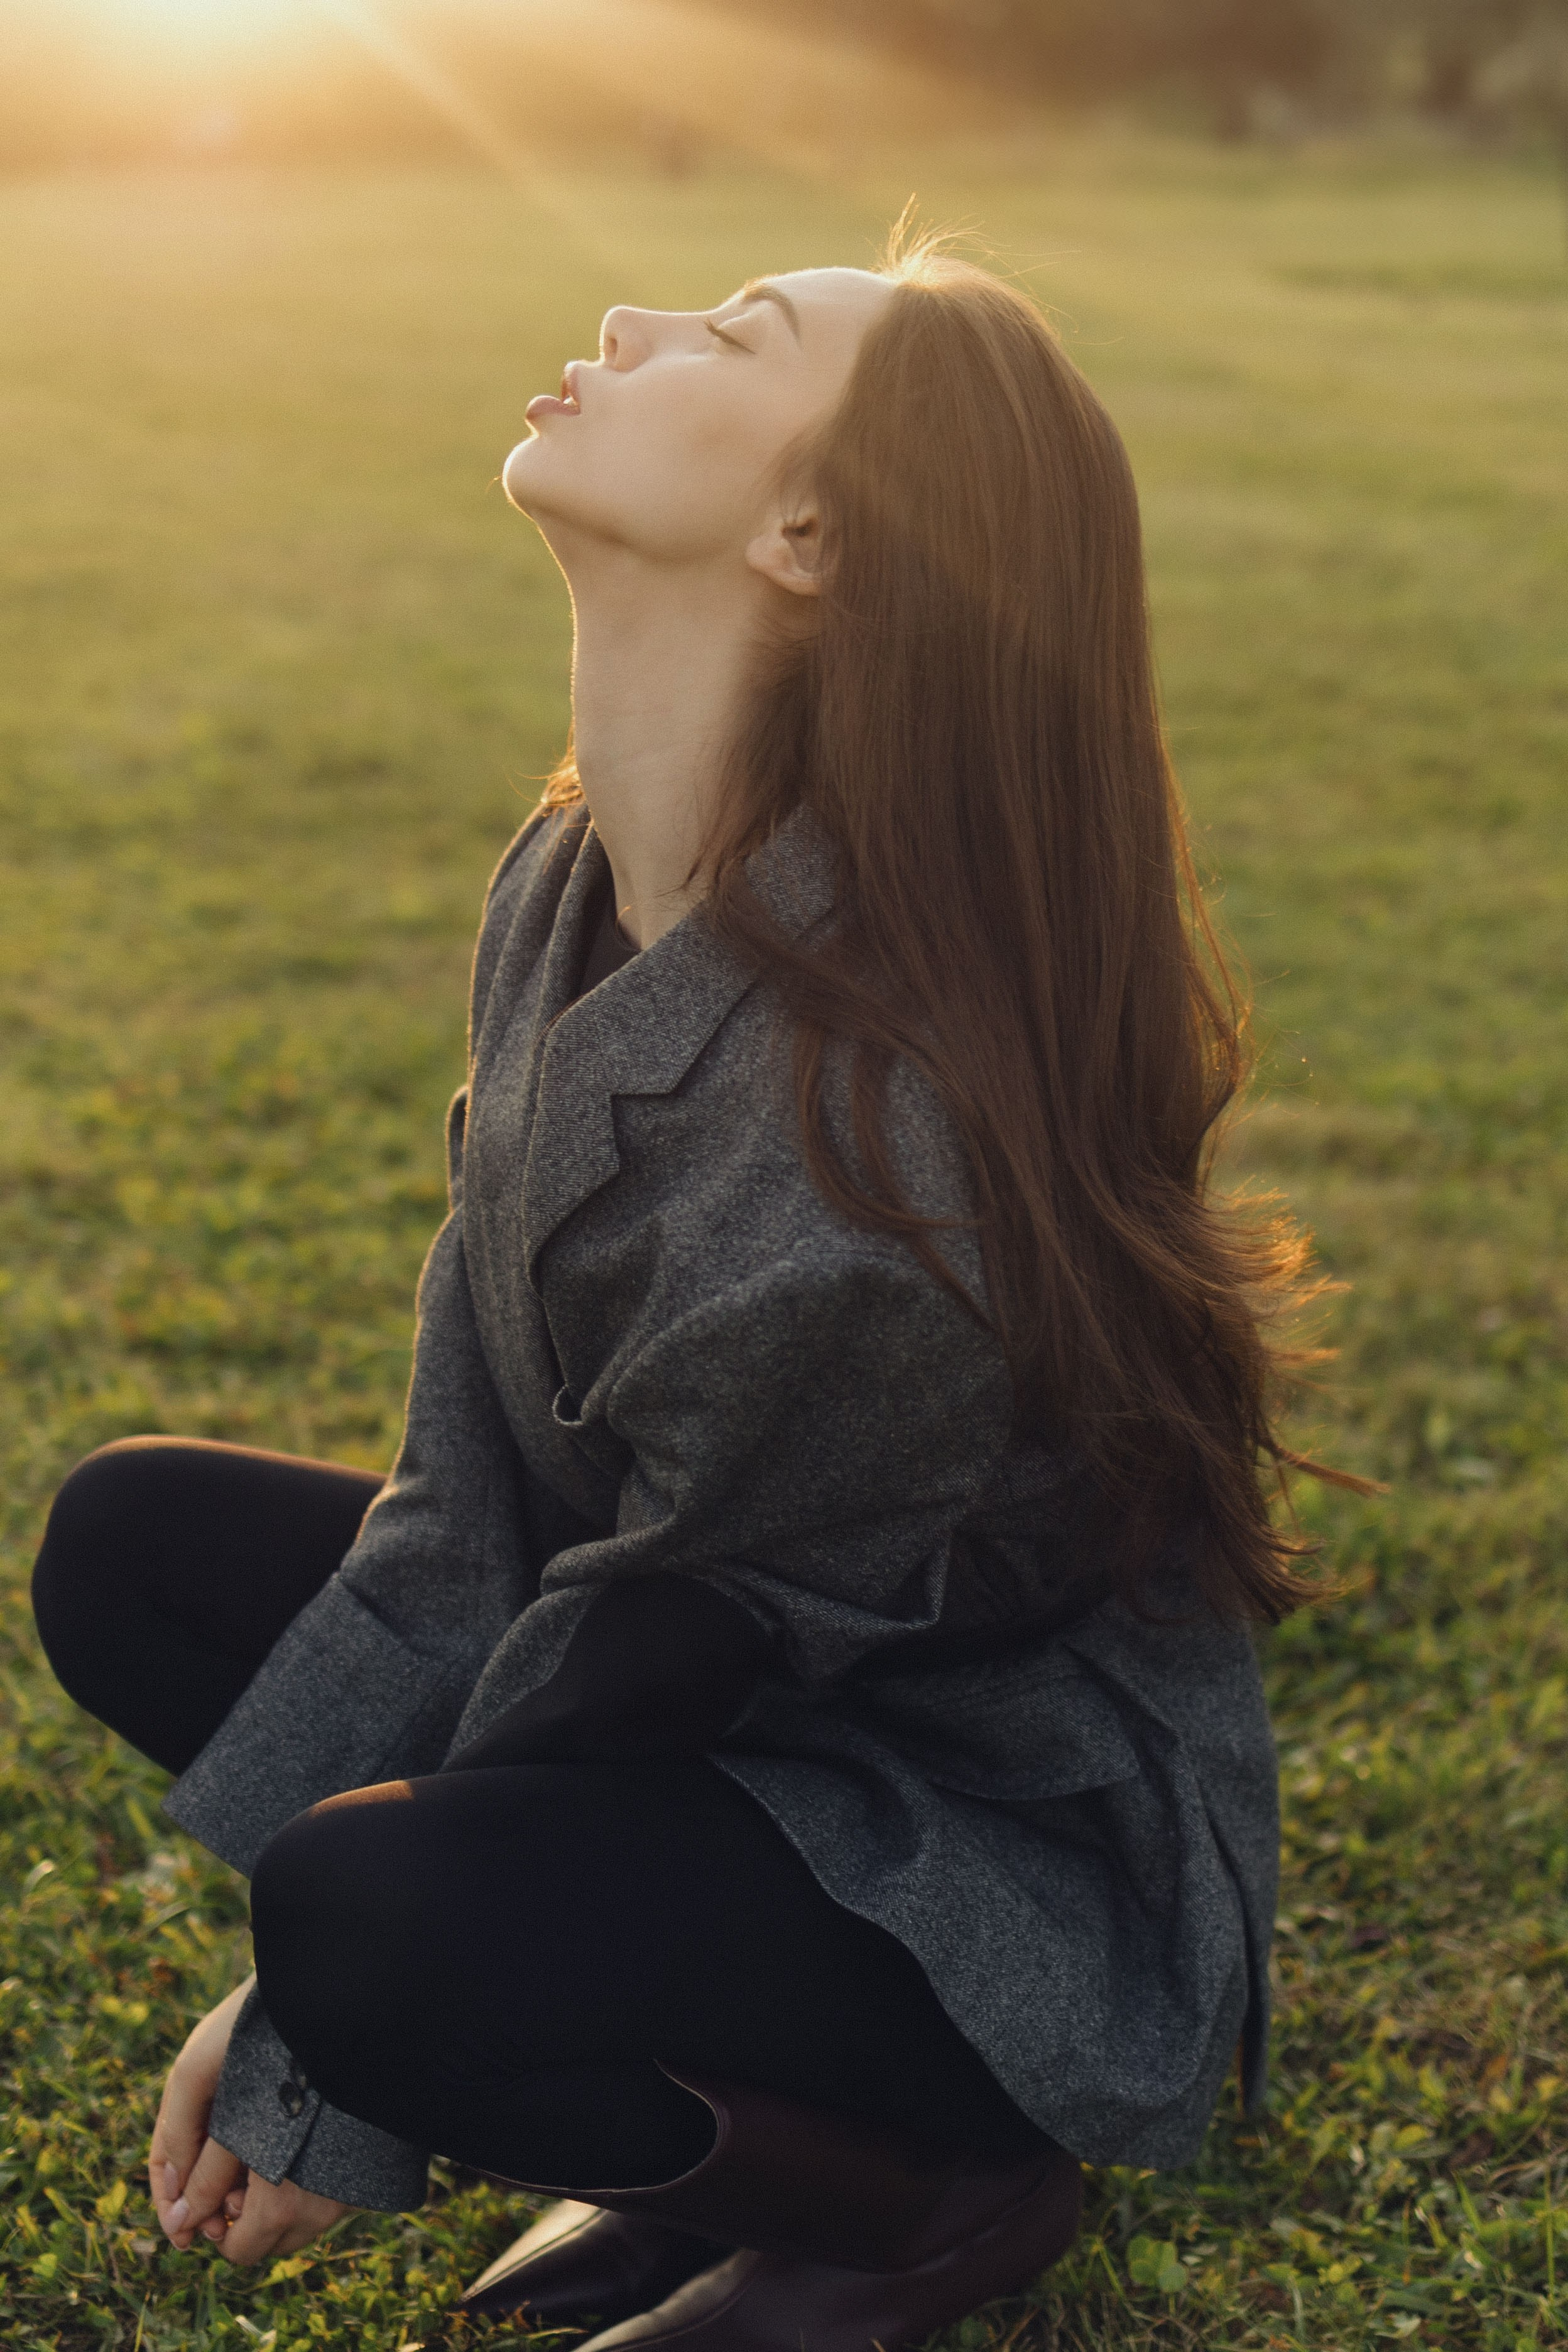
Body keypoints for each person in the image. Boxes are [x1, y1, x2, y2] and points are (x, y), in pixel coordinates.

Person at [31, 224, 1339, 2352]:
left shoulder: (883, 1159)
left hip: (960, 1846)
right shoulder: (573, 873)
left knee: (367, 1921)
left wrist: (312, 2036)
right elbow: (472, 1503)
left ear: (813, 532)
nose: (628, 321)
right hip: (710, 1701)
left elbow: (650, 1648)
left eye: (733, 335)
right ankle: (664, 2108)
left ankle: (925, 2193)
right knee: (136, 1547)